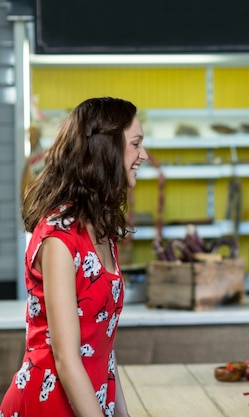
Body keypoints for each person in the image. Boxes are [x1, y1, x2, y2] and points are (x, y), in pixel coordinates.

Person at [1, 97, 148, 417]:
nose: (144, 155)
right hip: (49, 404)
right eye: (136, 144)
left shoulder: (102, 233)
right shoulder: (58, 238)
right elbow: (67, 360)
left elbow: (103, 350)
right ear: (106, 150)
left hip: (92, 403)